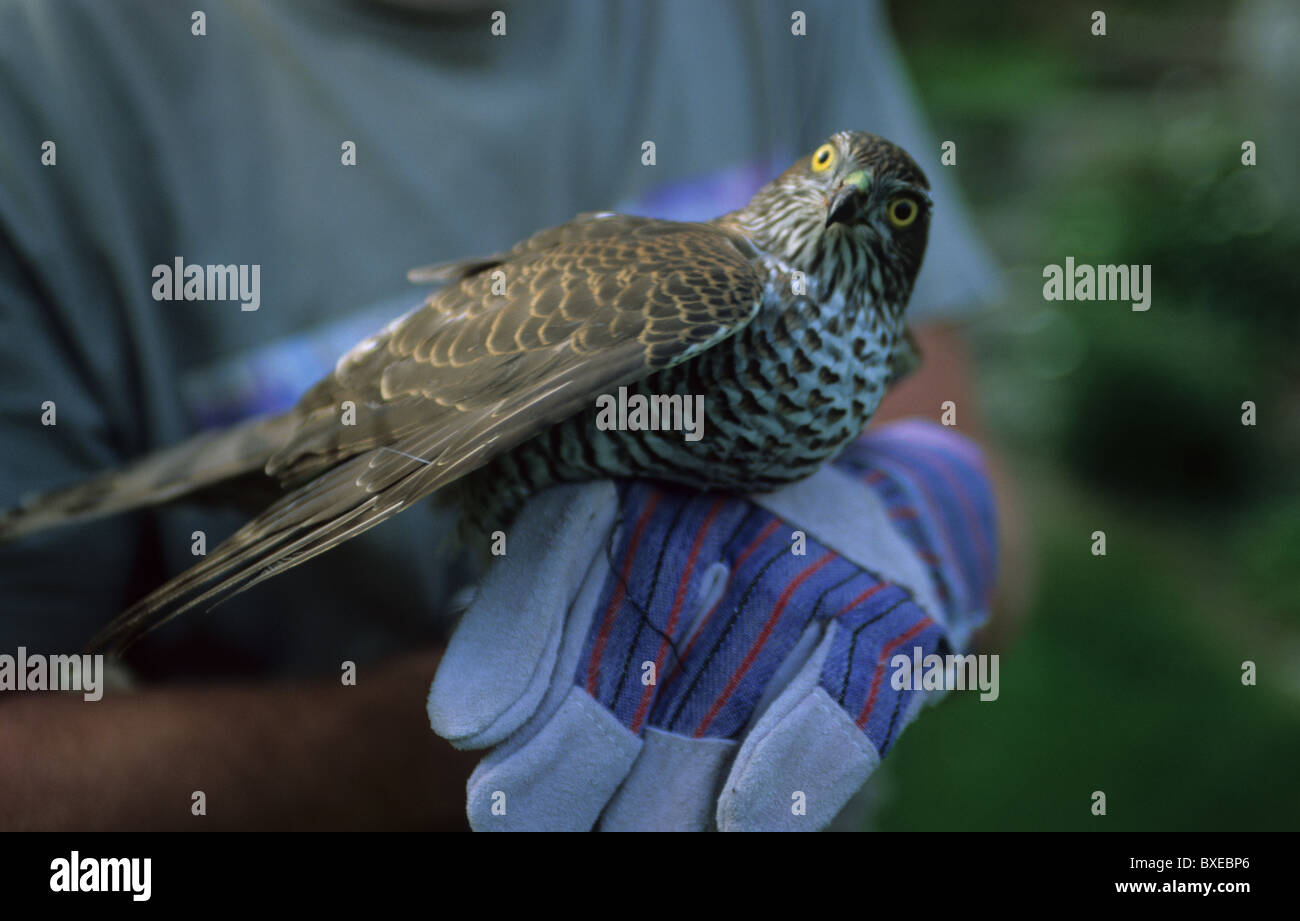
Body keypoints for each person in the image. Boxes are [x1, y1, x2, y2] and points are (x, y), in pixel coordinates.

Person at [0, 0, 1006, 830]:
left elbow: (963, 470)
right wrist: (459, 750)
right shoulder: (704, 278)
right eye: (830, 170)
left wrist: (931, 520)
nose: (846, 201)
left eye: (891, 209)